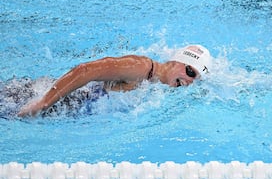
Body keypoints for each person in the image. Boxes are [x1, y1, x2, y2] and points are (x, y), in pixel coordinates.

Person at [17, 45, 212, 117]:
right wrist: (44, 102)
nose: (189, 80)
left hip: (61, 107)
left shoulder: (152, 83)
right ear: (177, 61)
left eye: (195, 79)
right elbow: (85, 70)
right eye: (190, 72)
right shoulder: (141, 67)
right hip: (30, 97)